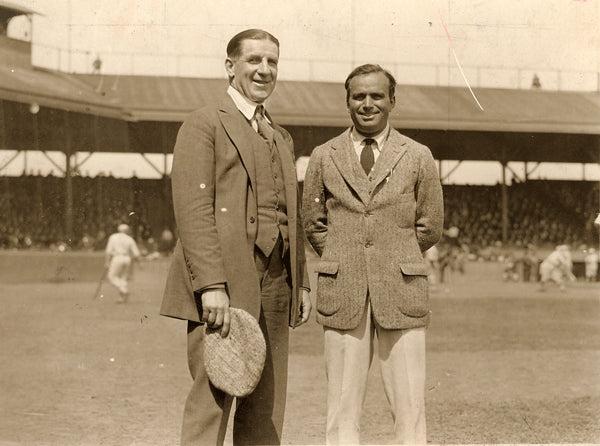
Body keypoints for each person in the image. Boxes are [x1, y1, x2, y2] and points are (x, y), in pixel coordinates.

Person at [160, 29, 312, 446]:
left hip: (277, 284)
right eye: (254, 60)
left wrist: (300, 281)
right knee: (213, 400)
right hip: (223, 285)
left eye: (272, 62)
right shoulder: (204, 122)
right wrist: (210, 285)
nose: (265, 70)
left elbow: (292, 212)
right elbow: (193, 212)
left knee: (266, 408)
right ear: (231, 67)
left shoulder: (280, 135)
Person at [302, 64, 444, 445]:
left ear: (392, 101)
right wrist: (343, 255)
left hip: (401, 290)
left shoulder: (417, 155)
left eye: (376, 96)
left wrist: (393, 256)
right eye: (358, 96)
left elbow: (430, 225)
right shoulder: (323, 155)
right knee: (341, 406)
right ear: (347, 102)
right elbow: (313, 223)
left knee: (410, 405)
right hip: (342, 290)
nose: (367, 104)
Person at [104, 223, 140, 303]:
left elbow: (108, 251)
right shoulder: (129, 239)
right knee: (123, 278)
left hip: (117, 258)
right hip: (127, 258)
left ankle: (124, 290)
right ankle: (122, 297)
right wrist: (139, 264)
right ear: (127, 231)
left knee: (111, 276)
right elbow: (136, 253)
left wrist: (107, 262)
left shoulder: (113, 237)